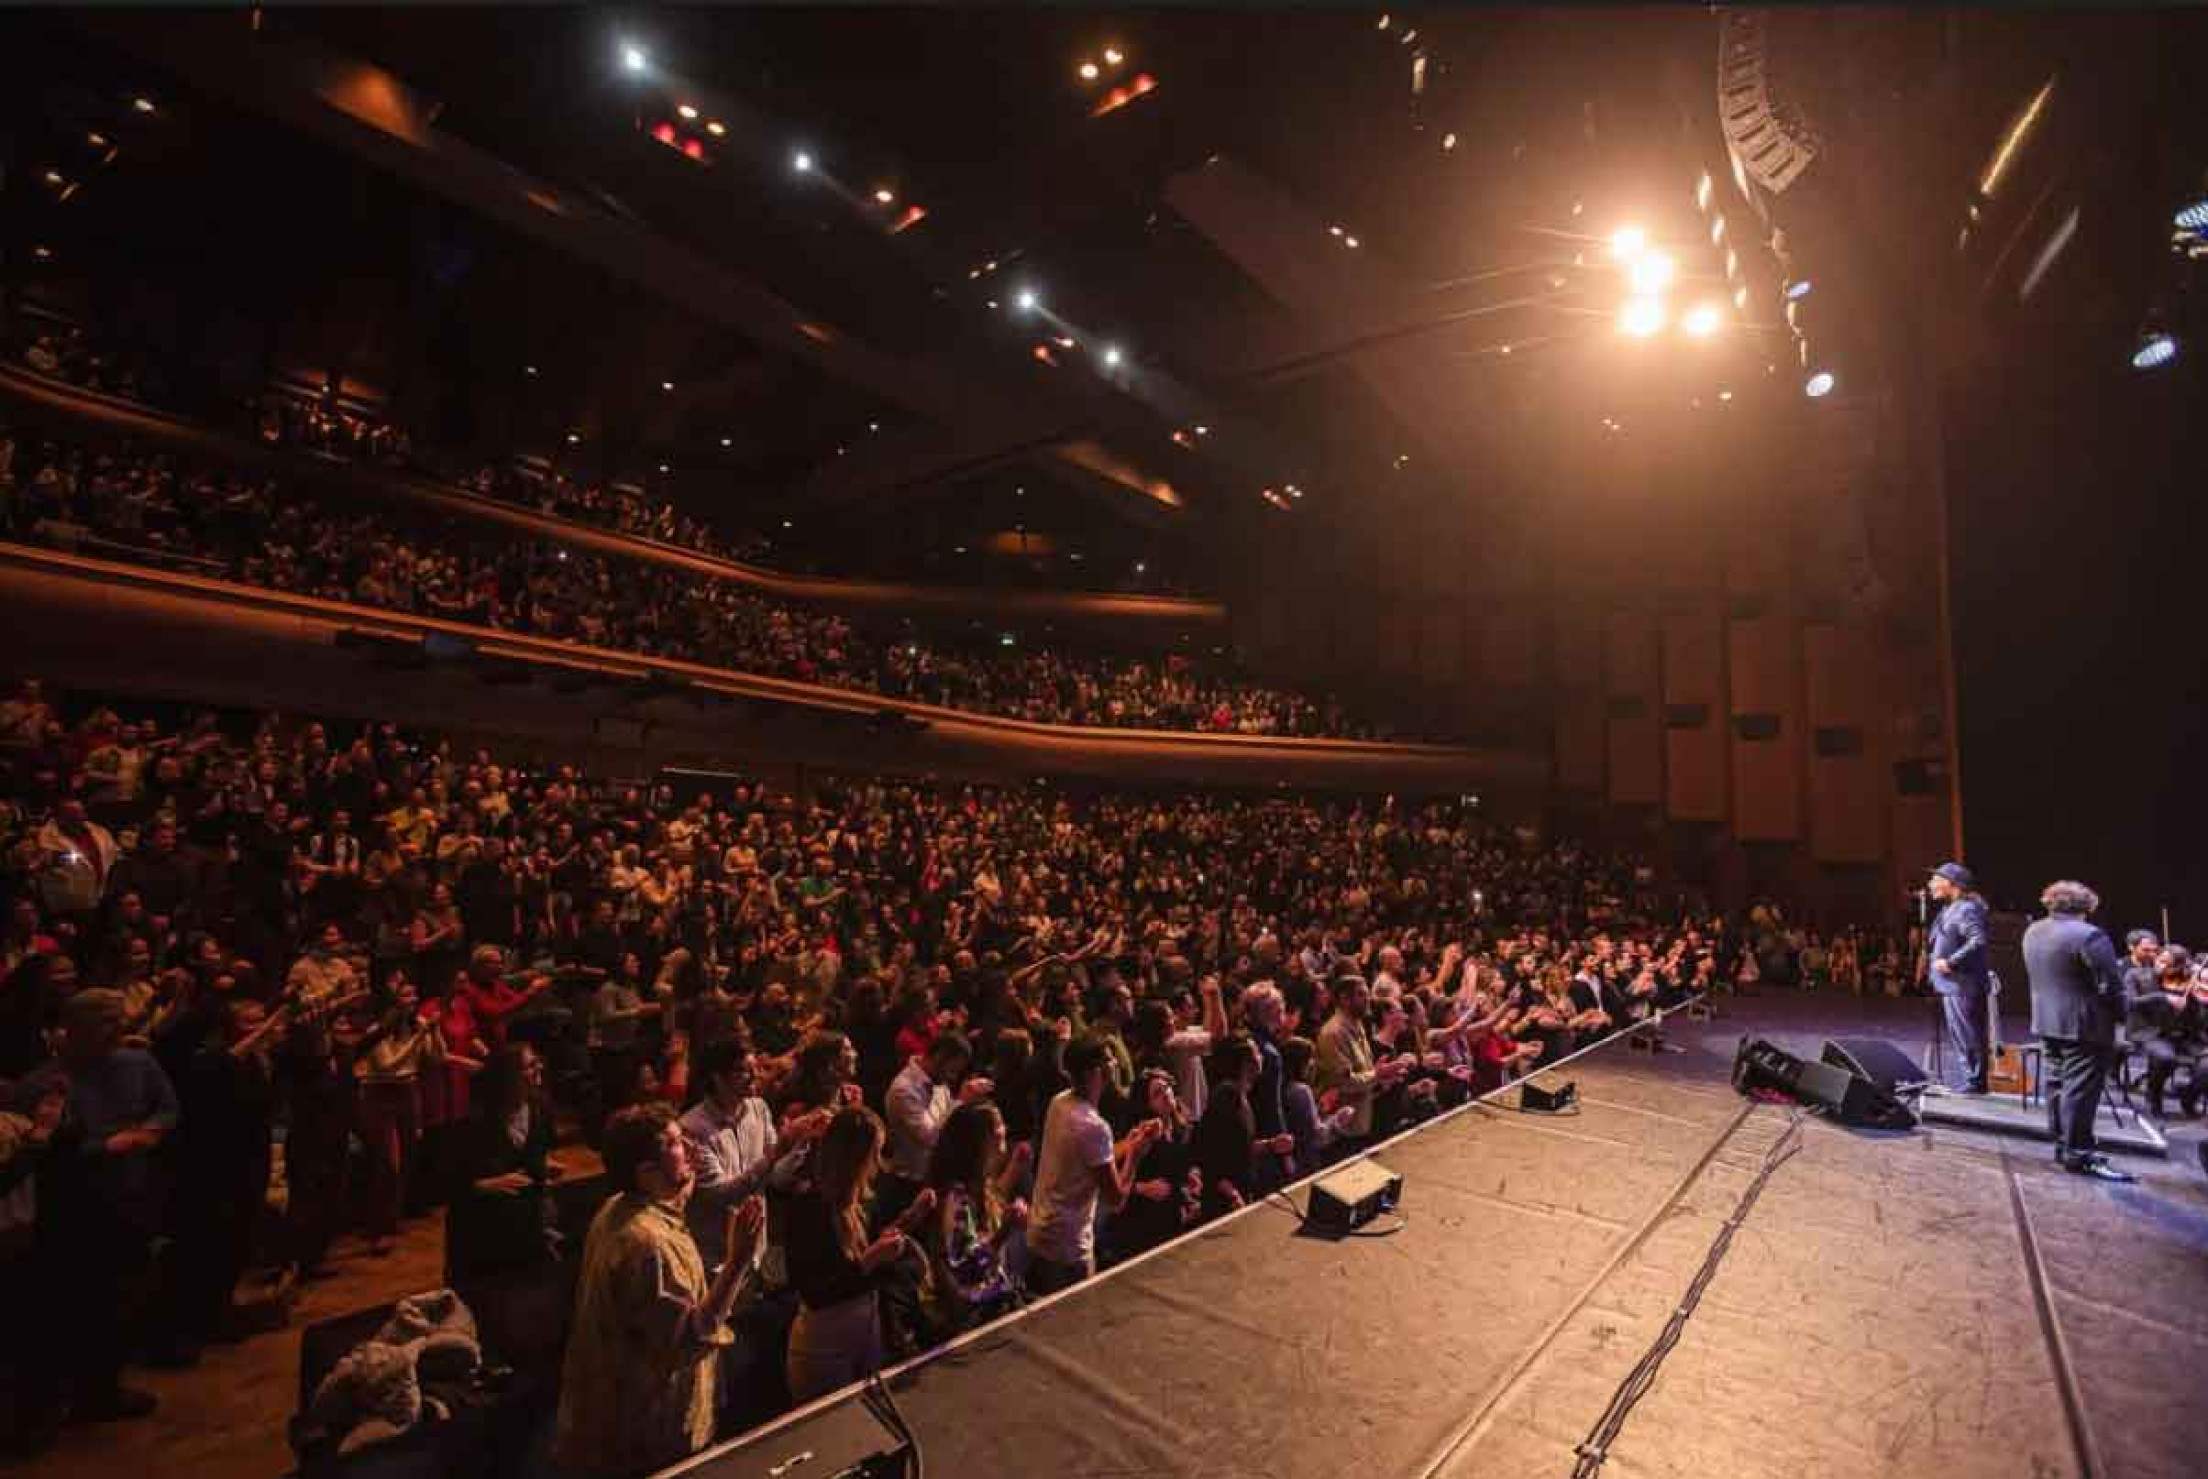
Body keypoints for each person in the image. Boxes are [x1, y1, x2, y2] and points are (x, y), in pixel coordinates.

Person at [553, 1103, 764, 1478]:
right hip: (650, 1434)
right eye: (674, 1143)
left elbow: (668, 1203)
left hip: (610, 1421)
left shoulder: (618, 1208)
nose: (688, 1145)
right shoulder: (649, 1246)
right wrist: (738, 1261)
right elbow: (691, 1336)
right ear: (647, 1172)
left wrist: (682, 1179)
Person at [783, 1107, 934, 1401]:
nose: (878, 1165)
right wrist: (870, 1261)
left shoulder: (860, 1203)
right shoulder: (807, 1207)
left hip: (863, 1336)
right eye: (873, 1155)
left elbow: (869, 1252)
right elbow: (816, 1292)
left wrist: (909, 1220)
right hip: (823, 1349)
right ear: (853, 1159)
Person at [1025, 1035, 1161, 1293]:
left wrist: (1131, 1142)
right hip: (1067, 1248)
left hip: (1042, 1233)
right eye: (1110, 1058)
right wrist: (1136, 1155)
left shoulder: (1060, 1103)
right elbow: (1116, 1199)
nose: (1115, 1063)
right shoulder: (1093, 1127)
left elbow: (1092, 1160)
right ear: (1096, 1071)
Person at [2021, 880, 2133, 1182]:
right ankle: (2079, 1153)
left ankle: (2062, 1145)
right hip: (2085, 1025)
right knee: (2080, 1092)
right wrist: (2125, 1017)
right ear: (2087, 906)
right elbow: (2110, 985)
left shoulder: (2033, 930)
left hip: (2046, 1021)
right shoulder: (2090, 935)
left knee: (2058, 1084)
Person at [918, 1101, 1029, 1335]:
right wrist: (1004, 1231)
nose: (1003, 1145)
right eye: (998, 1137)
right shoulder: (956, 1199)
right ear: (978, 1145)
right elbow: (965, 1269)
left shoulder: (978, 1184)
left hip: (987, 1307)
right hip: (967, 1322)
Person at [881, 1032, 989, 1217]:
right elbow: (931, 1138)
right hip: (910, 1185)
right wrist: (961, 1102)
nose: (953, 1078)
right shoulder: (904, 1090)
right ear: (939, 1057)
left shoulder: (940, 1084)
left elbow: (945, 1122)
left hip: (935, 1181)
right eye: (952, 1070)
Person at [1923, 862, 1992, 1095]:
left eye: (1936, 879)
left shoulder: (1966, 909)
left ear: (1952, 885)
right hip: (1951, 985)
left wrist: (1950, 962)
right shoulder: (1950, 909)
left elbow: (1978, 940)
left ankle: (1975, 1082)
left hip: (1961, 984)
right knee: (1961, 1035)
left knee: (1968, 1035)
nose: (1931, 884)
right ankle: (1972, 1080)